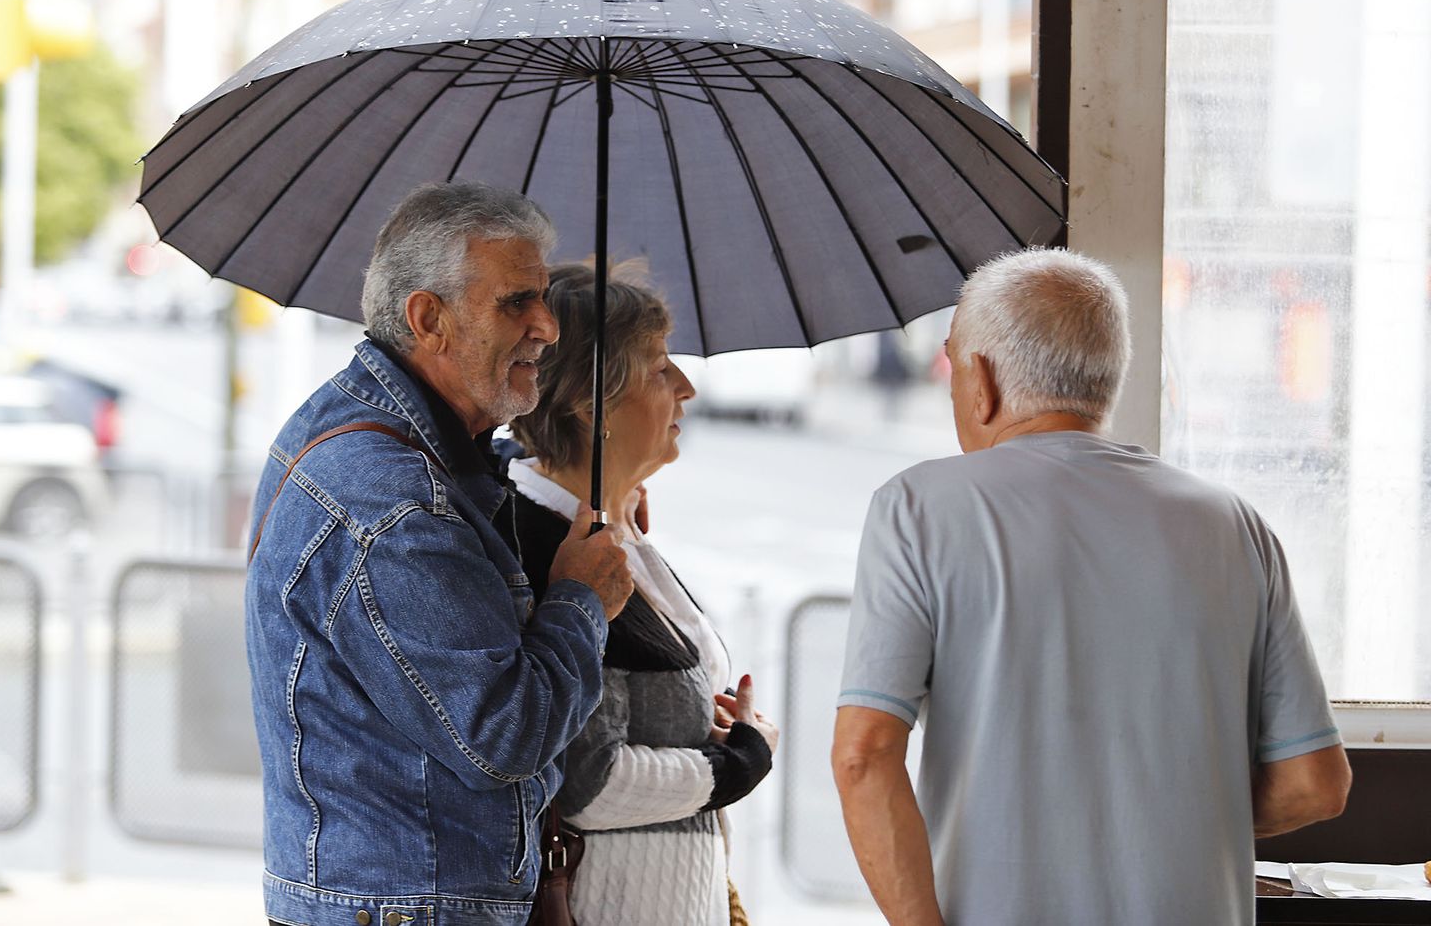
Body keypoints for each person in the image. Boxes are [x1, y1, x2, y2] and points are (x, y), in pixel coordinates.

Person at [831, 249, 1351, 926]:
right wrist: (1156, 820)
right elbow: (1314, 783)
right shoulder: (1234, 524)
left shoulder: (918, 508)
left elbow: (865, 754)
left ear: (981, 379)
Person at [245, 182, 633, 926]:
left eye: (544, 297)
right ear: (430, 319)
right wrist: (582, 600)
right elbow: (504, 733)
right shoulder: (395, 502)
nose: (548, 326)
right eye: (516, 301)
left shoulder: (387, 437)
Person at [506, 264, 779, 926]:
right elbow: (588, 780)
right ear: (588, 403)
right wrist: (736, 762)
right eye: (659, 368)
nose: (685, 386)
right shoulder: (554, 549)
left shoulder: (617, 531)